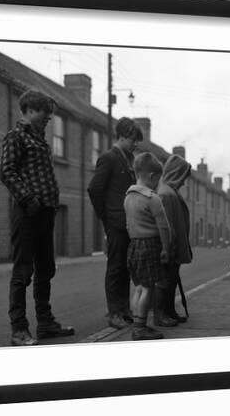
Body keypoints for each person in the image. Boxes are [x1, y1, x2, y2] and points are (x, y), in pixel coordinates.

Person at [0, 89, 74, 346]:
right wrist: (29, 200)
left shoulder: (40, 140)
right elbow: (7, 172)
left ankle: (46, 323)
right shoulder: (16, 136)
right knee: (22, 272)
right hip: (27, 213)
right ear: (30, 110)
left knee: (46, 269)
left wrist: (48, 205)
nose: (48, 120)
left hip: (46, 213)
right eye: (45, 114)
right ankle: (19, 329)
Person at [87, 118, 143, 329]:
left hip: (129, 223)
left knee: (126, 268)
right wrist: (106, 217)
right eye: (133, 139)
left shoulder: (129, 160)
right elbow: (94, 189)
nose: (136, 144)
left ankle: (124, 309)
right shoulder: (109, 158)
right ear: (122, 135)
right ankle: (114, 313)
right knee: (115, 267)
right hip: (116, 223)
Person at [124, 152, 171, 340]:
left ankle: (138, 324)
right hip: (151, 245)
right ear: (152, 176)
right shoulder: (152, 198)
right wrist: (166, 247)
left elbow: (128, 224)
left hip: (134, 244)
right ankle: (140, 329)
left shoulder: (128, 197)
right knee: (148, 288)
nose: (158, 184)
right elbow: (164, 227)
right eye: (158, 179)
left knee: (139, 287)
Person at [154, 154, 193, 326]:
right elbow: (166, 225)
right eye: (183, 177)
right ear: (176, 173)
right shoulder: (166, 194)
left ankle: (169, 311)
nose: (184, 182)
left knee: (171, 281)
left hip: (174, 246)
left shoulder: (169, 192)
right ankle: (160, 314)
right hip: (170, 247)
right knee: (165, 281)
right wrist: (168, 248)